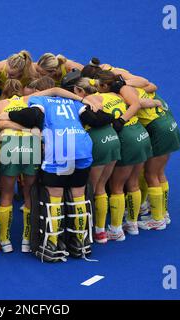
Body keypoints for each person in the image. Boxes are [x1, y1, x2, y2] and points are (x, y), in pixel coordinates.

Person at [0, 77, 100, 254]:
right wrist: (84, 100)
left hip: (9, 147)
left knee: (6, 195)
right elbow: (55, 92)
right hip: (32, 147)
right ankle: (27, 241)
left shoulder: (0, 104)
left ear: (4, 92)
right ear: (21, 91)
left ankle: (5, 241)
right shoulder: (28, 100)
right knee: (29, 194)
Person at [91, 70, 153, 240]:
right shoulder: (122, 94)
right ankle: (132, 223)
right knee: (133, 182)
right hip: (141, 134)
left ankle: (115, 229)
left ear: (103, 86)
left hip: (126, 138)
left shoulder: (100, 98)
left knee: (115, 186)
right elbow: (145, 97)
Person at [68, 77, 121, 244]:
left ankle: (89, 230)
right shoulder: (103, 97)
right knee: (102, 187)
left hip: (98, 142)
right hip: (113, 139)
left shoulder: (80, 104)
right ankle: (104, 230)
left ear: (79, 91)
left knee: (90, 189)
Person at [134, 88, 180, 229]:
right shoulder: (141, 87)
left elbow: (135, 104)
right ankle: (163, 212)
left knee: (151, 174)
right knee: (159, 173)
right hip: (169, 126)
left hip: (160, 131)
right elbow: (150, 85)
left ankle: (157, 219)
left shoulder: (126, 95)